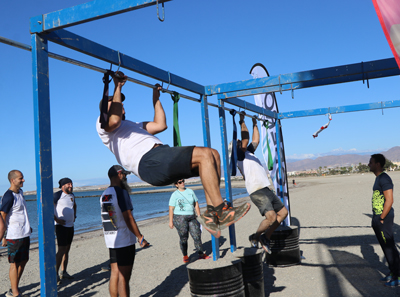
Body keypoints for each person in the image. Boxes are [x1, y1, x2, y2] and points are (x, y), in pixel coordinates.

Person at [96, 71, 250, 238]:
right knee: (204, 154)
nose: (121, 105)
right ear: (105, 110)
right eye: (115, 103)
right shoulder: (103, 125)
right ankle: (222, 209)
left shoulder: (133, 125)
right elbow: (114, 120)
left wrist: (155, 99)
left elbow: (161, 125)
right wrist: (117, 86)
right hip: (148, 162)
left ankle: (211, 214)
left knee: (213, 155)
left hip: (161, 154)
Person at [235, 114, 288, 253]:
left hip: (265, 188)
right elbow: (246, 139)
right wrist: (241, 121)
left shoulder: (249, 153)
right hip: (256, 190)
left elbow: (255, 140)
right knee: (271, 217)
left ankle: (265, 237)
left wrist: (254, 124)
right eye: (239, 142)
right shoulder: (239, 155)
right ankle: (255, 237)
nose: (241, 141)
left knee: (283, 213)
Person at [100, 165, 149, 297]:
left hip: (111, 239)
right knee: (124, 277)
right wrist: (140, 237)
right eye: (125, 175)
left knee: (114, 273)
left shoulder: (105, 193)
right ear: (119, 174)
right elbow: (128, 217)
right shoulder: (121, 192)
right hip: (124, 240)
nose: (126, 178)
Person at [368, 153, 400, 287]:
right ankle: (393, 272)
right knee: (385, 247)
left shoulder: (384, 179)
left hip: (383, 218)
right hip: (378, 217)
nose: (368, 164)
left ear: (378, 164)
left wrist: (381, 218)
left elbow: (389, 200)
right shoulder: (379, 178)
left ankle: (398, 276)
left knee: (389, 247)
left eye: (371, 162)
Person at [0, 170, 31, 297]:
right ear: (13, 180)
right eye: (20, 178)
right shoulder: (8, 196)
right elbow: (2, 216)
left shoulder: (20, 193)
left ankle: (14, 288)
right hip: (14, 235)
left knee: (24, 261)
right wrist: (4, 237)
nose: (23, 180)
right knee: (14, 263)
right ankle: (15, 294)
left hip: (25, 233)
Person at [169, 179, 210, 263]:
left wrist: (199, 216)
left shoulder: (190, 191)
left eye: (183, 181)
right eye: (180, 182)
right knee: (183, 238)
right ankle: (185, 255)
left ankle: (201, 254)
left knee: (197, 235)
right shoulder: (174, 195)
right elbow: (171, 208)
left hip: (192, 217)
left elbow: (196, 204)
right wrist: (170, 221)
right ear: (176, 185)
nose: (182, 183)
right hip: (179, 218)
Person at [54, 177, 77, 283]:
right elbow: (48, 207)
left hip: (70, 226)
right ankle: (55, 274)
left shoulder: (72, 195)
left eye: (71, 184)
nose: (71, 186)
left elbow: (74, 205)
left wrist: (74, 216)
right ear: (63, 186)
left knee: (67, 250)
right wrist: (56, 219)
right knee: (61, 249)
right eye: (68, 184)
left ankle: (64, 272)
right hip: (60, 227)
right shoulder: (57, 195)